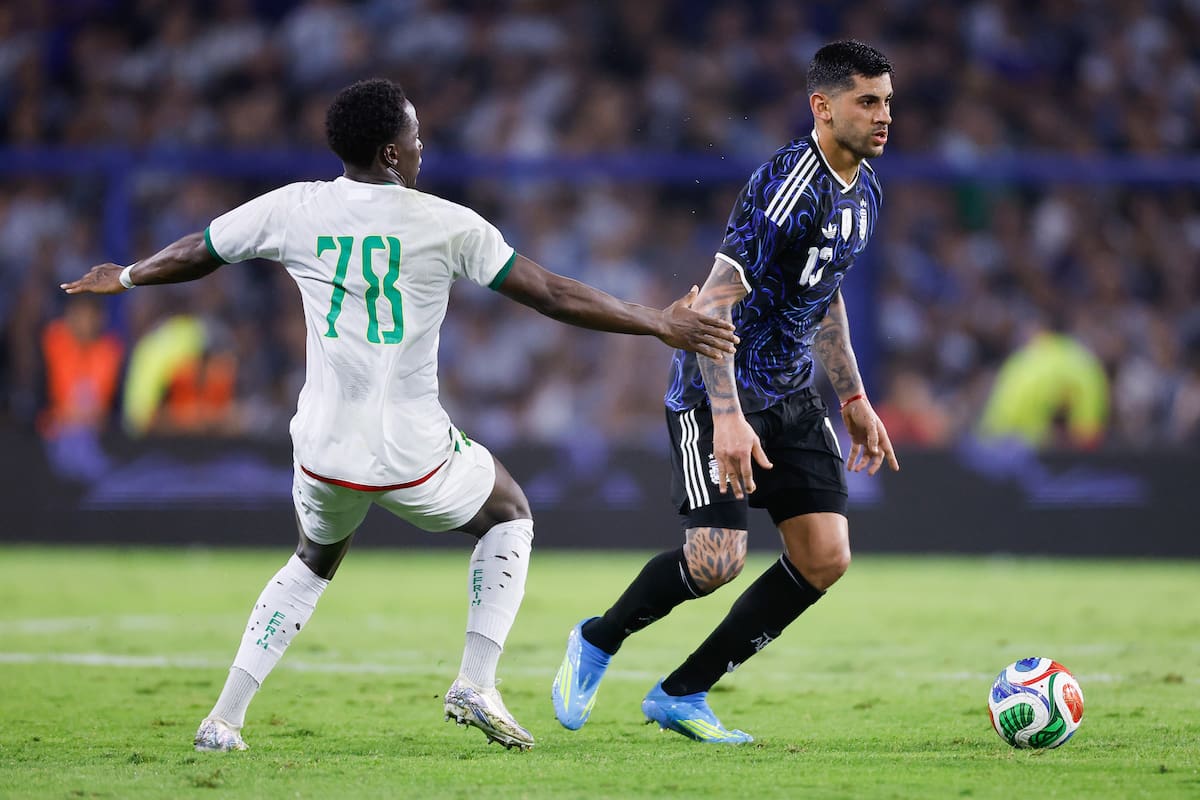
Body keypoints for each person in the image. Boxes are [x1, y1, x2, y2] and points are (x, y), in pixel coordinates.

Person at [62, 77, 737, 753]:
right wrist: (657, 322)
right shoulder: (445, 223)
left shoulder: (294, 208)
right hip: (411, 450)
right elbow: (553, 294)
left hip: (323, 448)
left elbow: (198, 251)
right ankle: (476, 680)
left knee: (311, 561)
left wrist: (124, 276)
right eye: (414, 135)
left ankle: (224, 719)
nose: (422, 146)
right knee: (510, 513)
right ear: (391, 153)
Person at [551, 40, 900, 744]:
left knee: (826, 556)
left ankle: (682, 693)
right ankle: (597, 639)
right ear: (823, 107)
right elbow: (712, 307)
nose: (883, 115)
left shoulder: (865, 188)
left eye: (888, 100)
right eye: (868, 101)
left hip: (793, 393)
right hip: (717, 393)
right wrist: (730, 418)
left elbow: (822, 299)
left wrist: (856, 401)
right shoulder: (787, 188)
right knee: (716, 559)